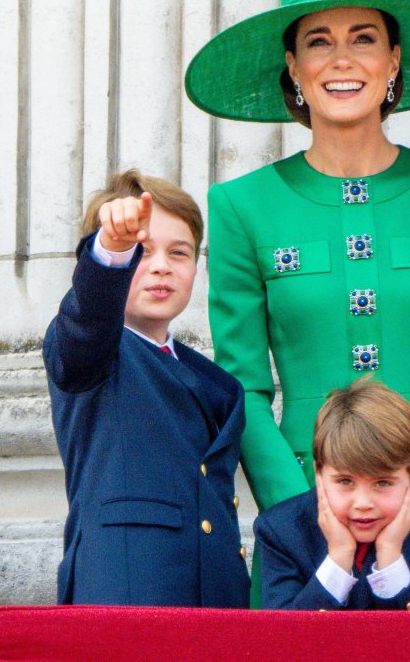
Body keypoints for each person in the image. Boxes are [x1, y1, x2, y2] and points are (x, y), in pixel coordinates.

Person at [185, 0, 410, 609]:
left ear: (393, 61)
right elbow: (243, 383)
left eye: (363, 37)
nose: (343, 59)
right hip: (304, 527)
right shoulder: (241, 205)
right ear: (293, 67)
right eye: (318, 41)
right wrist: (301, 515)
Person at [43, 170, 250, 607]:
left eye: (180, 253)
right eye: (141, 250)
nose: (160, 265)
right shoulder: (94, 350)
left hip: (215, 601)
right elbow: (87, 322)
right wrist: (110, 251)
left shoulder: (213, 380)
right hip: (126, 594)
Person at [254, 377, 410, 610]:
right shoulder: (281, 531)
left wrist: (391, 557)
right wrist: (339, 558)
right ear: (319, 473)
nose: (363, 503)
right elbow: (285, 641)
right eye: (345, 481)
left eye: (383, 483)